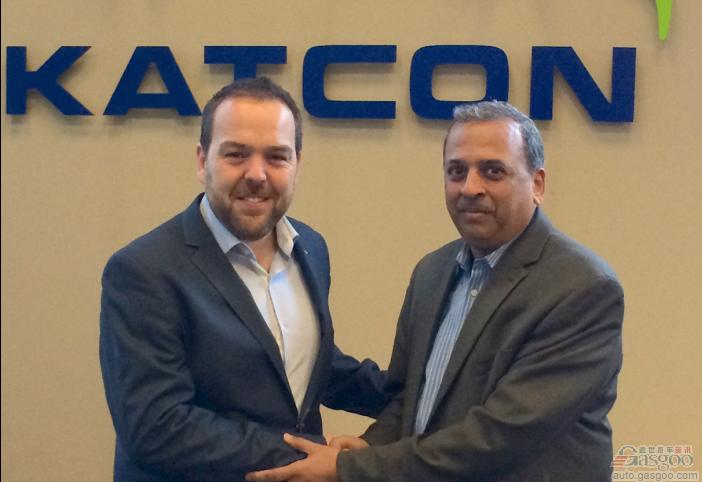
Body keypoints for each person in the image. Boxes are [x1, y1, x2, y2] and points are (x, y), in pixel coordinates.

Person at [246, 100, 625, 482]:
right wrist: (374, 443)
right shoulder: (433, 272)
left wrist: (350, 468)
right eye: (456, 171)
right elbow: (409, 396)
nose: (470, 188)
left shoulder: (581, 288)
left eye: (493, 171)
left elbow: (500, 436)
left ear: (538, 184)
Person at [99, 77, 387, 482]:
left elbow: (298, 363)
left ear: (297, 165)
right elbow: (157, 427)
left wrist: (414, 401)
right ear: (202, 161)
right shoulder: (142, 271)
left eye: (276, 157)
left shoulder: (310, 248)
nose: (257, 174)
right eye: (236, 154)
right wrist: (312, 457)